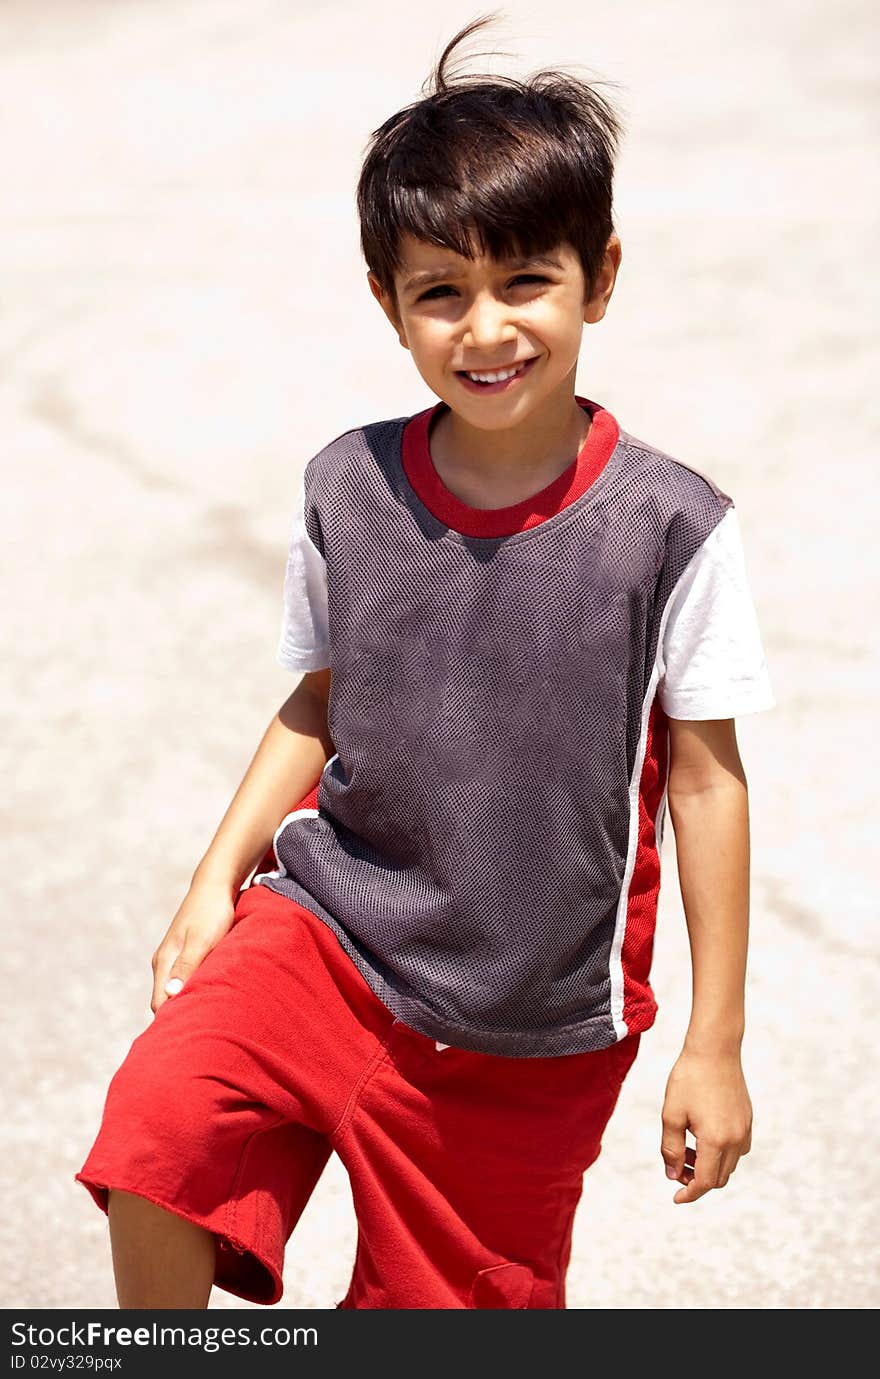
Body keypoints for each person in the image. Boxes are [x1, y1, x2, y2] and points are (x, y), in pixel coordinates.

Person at [74, 13, 776, 1311]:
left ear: (600, 277)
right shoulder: (350, 486)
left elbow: (707, 786)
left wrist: (715, 1044)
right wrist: (213, 879)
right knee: (162, 1124)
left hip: (524, 1024)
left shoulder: (673, 530)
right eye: (440, 291)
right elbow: (316, 695)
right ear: (388, 305)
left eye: (526, 281)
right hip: (328, 940)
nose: (485, 326)